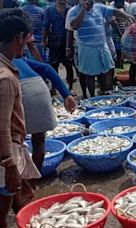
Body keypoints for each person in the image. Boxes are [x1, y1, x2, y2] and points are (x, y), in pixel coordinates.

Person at [0, 8, 41, 225]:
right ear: (18, 38)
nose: (27, 44)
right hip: (5, 158)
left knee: (21, 203)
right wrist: (10, 167)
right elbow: (2, 126)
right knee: (2, 213)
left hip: (8, 155)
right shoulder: (5, 77)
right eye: (26, 38)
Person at [68, 0, 132, 98]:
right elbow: (74, 26)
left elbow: (113, 11)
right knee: (90, 74)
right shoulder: (74, 11)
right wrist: (83, 10)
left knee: (109, 68)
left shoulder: (99, 7)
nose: (91, 2)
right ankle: (93, 97)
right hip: (87, 47)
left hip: (102, 45)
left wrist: (126, 16)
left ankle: (108, 91)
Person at [42, 0, 75, 92]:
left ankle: (70, 88)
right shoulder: (49, 10)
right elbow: (45, 26)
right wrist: (43, 40)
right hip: (54, 41)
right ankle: (53, 88)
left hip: (67, 42)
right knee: (53, 66)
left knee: (69, 66)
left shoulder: (70, 10)